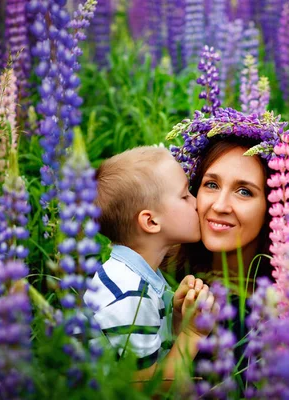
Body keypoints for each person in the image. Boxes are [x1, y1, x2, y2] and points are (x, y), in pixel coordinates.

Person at [83, 146, 215, 389]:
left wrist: (177, 317)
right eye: (185, 196)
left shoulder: (137, 275)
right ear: (151, 221)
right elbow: (149, 389)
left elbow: (157, 345)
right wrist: (192, 334)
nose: (197, 203)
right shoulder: (130, 297)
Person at [173, 136, 273, 289]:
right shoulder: (158, 278)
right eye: (212, 185)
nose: (219, 206)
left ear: (272, 207)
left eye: (244, 192)